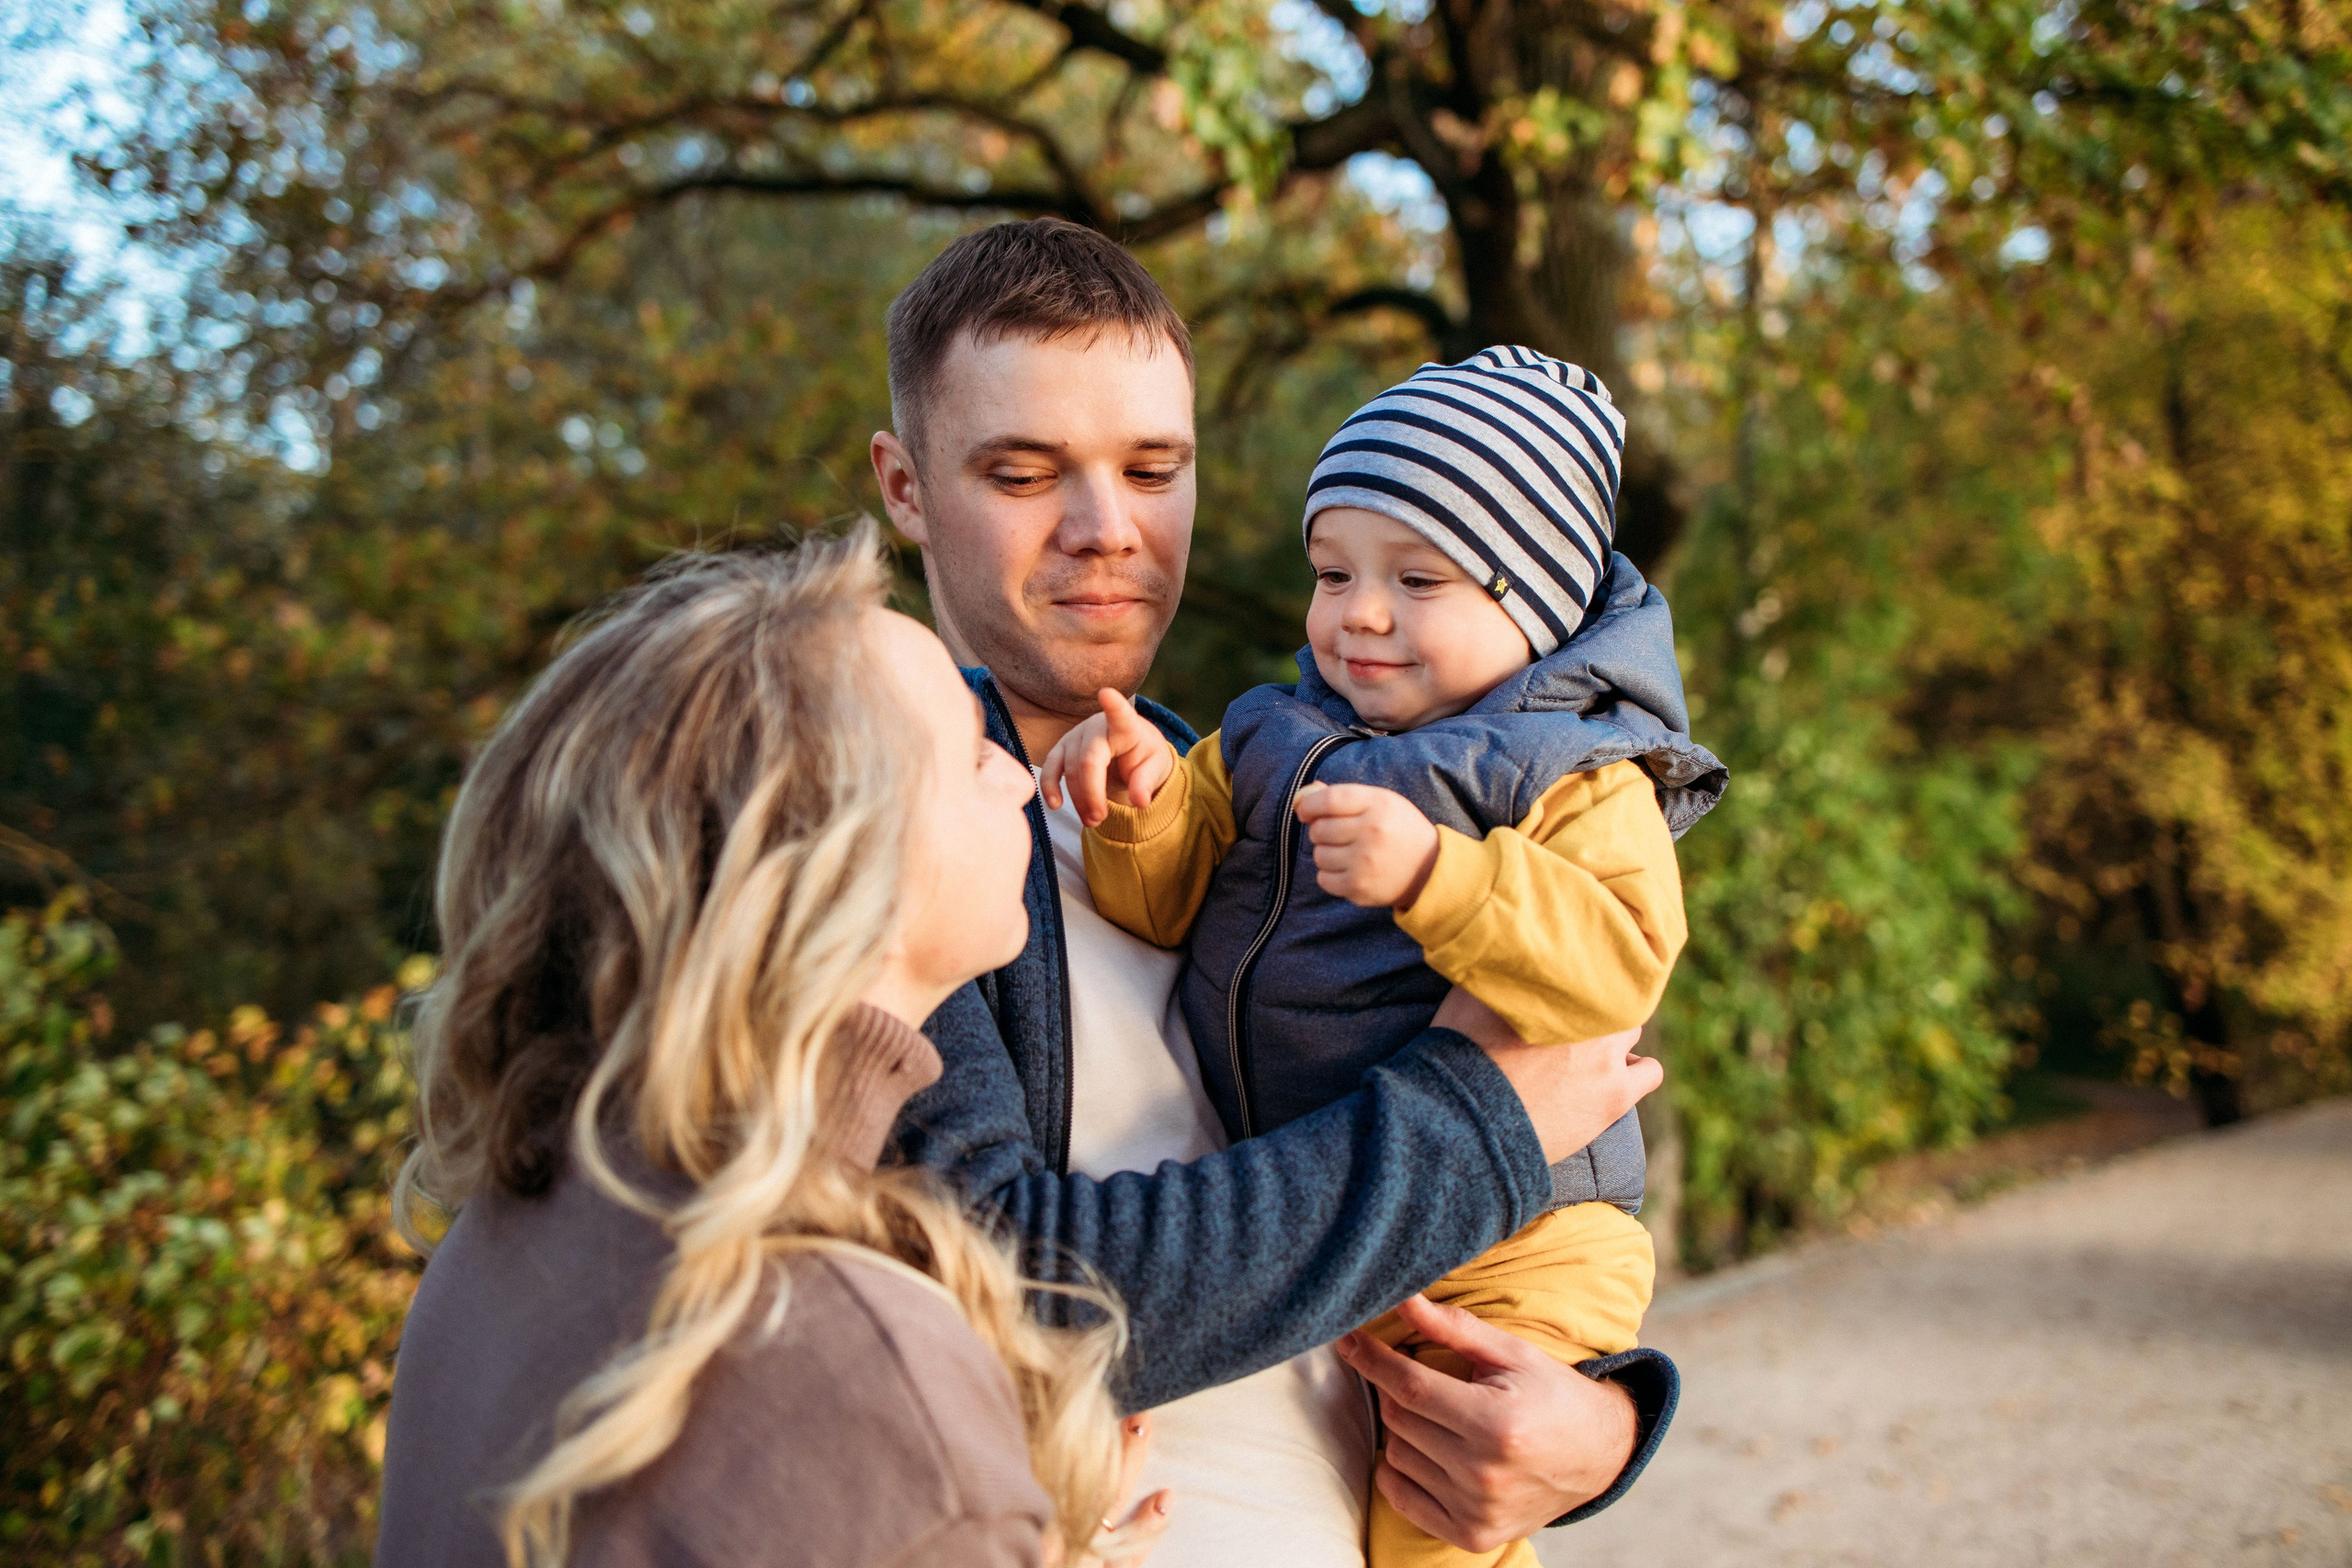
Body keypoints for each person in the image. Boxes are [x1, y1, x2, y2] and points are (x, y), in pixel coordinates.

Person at [868, 218, 1678, 1566]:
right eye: (1021, 471)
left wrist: (1594, 1429)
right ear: (904, 484)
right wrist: (1472, 1119)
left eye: (1153, 467)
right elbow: (998, 1284)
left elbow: (1554, 1191)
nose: (1104, 529)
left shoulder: (1248, 792)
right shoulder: (886, 827)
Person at [1039, 346, 1728, 1568]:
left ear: (1542, 608)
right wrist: (1141, 811)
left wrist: (1437, 879)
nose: (1358, 612)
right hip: (1349, 1208)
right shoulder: (1271, 731)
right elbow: (1158, 904)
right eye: (1333, 570)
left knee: (1437, 1496)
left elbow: (1618, 963)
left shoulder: (1572, 773)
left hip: (1526, 1231)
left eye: (1418, 578)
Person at [374, 535, 1174, 1568]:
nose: (1013, 780)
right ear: (839, 870)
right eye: (966, 750)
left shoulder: (508, 1229)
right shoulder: (858, 1379)